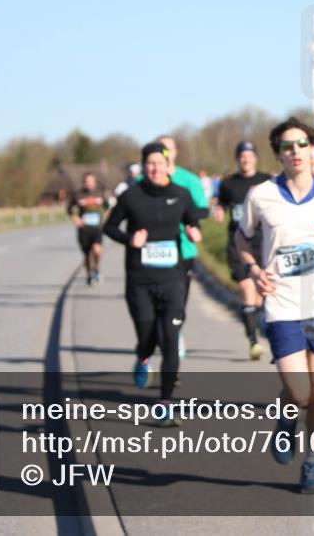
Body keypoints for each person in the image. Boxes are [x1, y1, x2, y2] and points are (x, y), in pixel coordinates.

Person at [236, 117, 314, 494]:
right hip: (283, 304)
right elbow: (242, 242)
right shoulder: (260, 195)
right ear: (278, 154)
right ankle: (286, 420)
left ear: (312, 149)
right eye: (287, 146)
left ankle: (313, 465)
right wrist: (256, 271)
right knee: (300, 392)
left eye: (302, 144)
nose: (296, 152)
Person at [104, 143, 203, 426]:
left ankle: (165, 405)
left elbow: (193, 221)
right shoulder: (131, 196)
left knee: (170, 342)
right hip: (140, 281)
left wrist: (195, 232)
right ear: (144, 166)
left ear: (168, 164)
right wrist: (129, 239)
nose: (155, 168)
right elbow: (109, 227)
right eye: (150, 163)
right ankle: (143, 357)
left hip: (172, 278)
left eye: (160, 163)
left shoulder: (181, 195)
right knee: (148, 339)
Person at [212, 140, 273, 360]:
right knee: (249, 291)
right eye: (242, 156)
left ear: (255, 157)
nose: (246, 159)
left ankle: (262, 333)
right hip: (238, 244)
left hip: (264, 243)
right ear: (237, 159)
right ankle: (254, 342)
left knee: (260, 299)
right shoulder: (228, 184)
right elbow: (220, 203)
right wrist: (218, 210)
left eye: (249, 155)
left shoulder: (267, 181)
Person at [156, 137, 210, 358]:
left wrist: (184, 217)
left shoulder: (188, 180)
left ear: (175, 152)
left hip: (183, 250)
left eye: (168, 148)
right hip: (152, 253)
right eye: (160, 149)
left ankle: (173, 334)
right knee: (153, 306)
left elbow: (203, 209)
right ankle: (156, 341)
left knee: (177, 302)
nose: (164, 153)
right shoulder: (144, 180)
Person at [67, 172, 110, 286]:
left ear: (94, 182)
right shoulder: (78, 194)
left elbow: (108, 207)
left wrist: (105, 218)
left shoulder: (100, 193)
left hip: (97, 228)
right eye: (86, 181)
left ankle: (96, 268)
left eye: (91, 181)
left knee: (97, 250)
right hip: (84, 228)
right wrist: (75, 218)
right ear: (83, 182)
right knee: (86, 254)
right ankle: (89, 274)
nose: (89, 183)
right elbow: (69, 209)